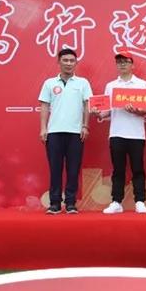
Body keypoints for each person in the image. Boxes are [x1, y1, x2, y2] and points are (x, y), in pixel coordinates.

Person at [38, 47, 92, 214]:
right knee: (55, 169)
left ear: (76, 63)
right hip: (54, 132)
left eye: (72, 61)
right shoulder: (49, 83)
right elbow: (44, 106)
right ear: (59, 62)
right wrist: (43, 128)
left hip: (76, 132)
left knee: (73, 169)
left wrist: (85, 126)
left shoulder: (83, 83)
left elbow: (87, 105)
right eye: (65, 60)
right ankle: (54, 203)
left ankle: (70, 203)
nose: (69, 63)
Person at [97, 51, 146, 214]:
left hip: (136, 134)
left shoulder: (142, 84)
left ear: (132, 65)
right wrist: (98, 113)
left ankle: (140, 201)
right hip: (116, 133)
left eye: (126, 61)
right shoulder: (111, 86)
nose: (122, 64)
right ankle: (116, 201)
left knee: (138, 168)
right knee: (118, 169)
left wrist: (137, 111)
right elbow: (106, 110)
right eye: (119, 62)